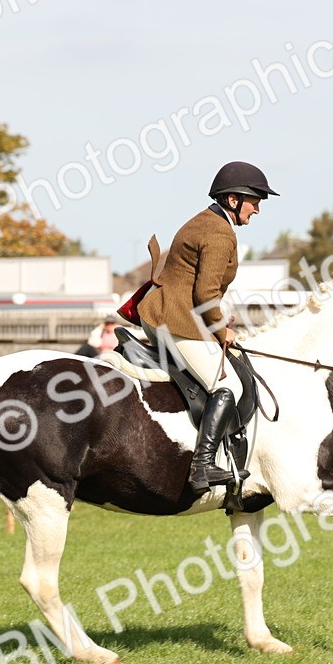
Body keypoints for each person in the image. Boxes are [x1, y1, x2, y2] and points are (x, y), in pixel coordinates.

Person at [136, 161, 278, 493]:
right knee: (230, 387)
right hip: (174, 319)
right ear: (233, 200)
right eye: (254, 201)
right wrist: (220, 329)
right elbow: (205, 293)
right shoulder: (219, 232)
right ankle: (202, 468)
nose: (257, 209)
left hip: (170, 312)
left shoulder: (207, 221)